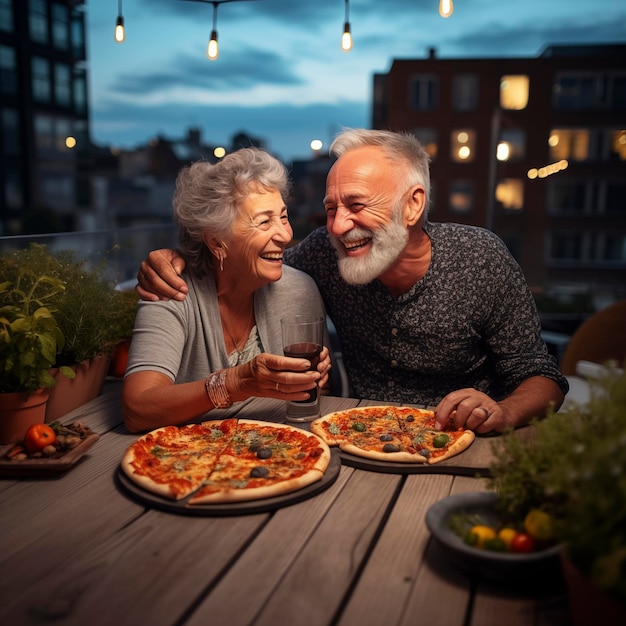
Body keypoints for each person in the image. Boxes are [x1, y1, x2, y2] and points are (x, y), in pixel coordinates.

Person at [135, 129, 568, 435]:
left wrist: (504, 411)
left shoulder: (481, 259)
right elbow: (249, 259)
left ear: (413, 205)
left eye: (357, 205)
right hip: (361, 437)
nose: (339, 226)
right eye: (330, 209)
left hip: (465, 439)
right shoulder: (323, 255)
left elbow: (538, 372)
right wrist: (179, 255)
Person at [122, 148, 331, 432]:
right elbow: (138, 409)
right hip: (186, 459)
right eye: (264, 222)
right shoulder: (171, 289)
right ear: (217, 242)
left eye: (283, 217)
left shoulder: (299, 290)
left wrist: (318, 379)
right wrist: (235, 383)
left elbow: (318, 397)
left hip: (281, 449)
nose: (285, 234)